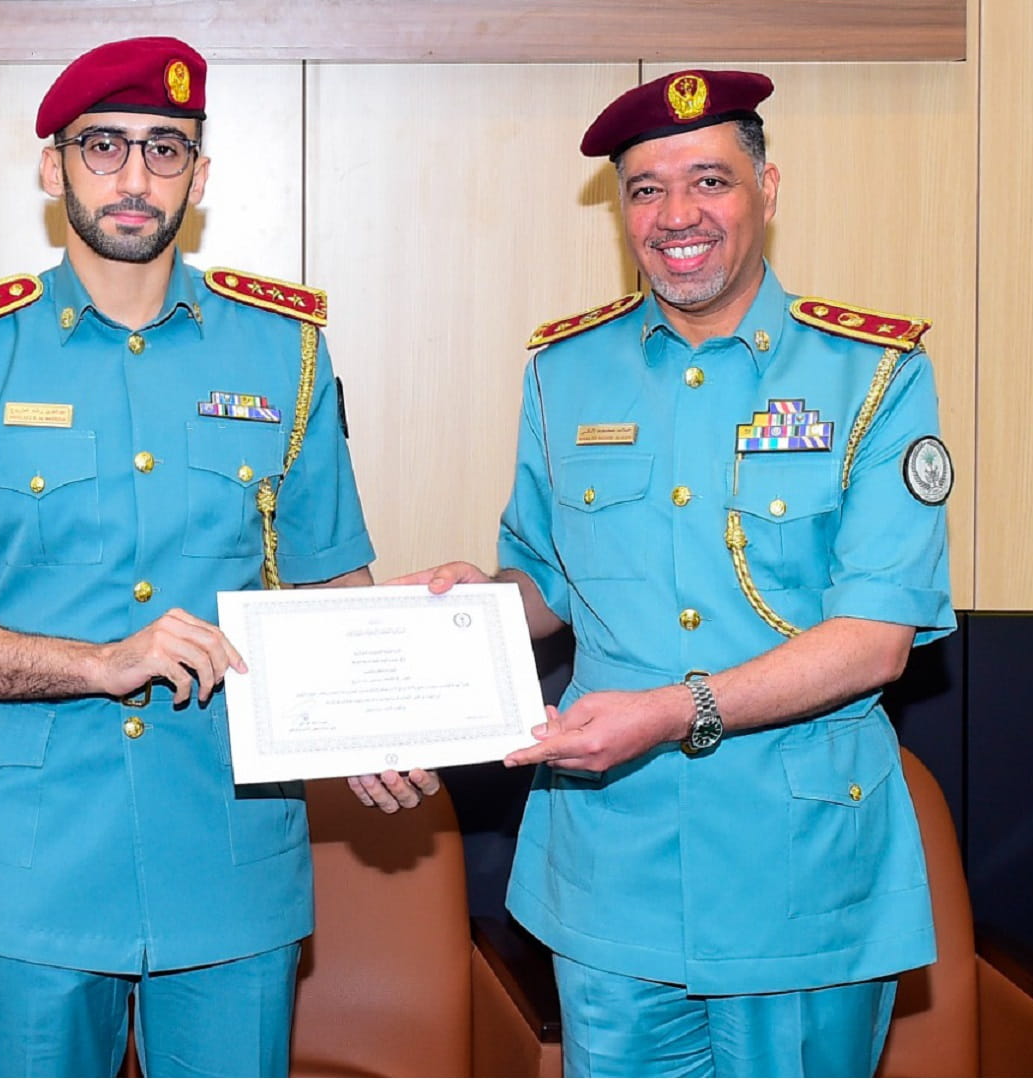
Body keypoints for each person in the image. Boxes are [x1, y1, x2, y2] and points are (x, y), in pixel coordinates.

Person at [0, 36, 434, 1077]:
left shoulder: (285, 352)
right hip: (31, 866)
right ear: (52, 166)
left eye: (165, 150)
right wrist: (98, 662)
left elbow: (330, 583)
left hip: (226, 848)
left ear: (200, 177)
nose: (134, 178)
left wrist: (385, 706)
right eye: (104, 147)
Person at [394, 69, 954, 1076]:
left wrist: (673, 711)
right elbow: (545, 587)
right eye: (647, 189)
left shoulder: (872, 372)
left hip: (799, 879)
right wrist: (458, 612)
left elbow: (877, 639)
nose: (677, 215)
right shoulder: (564, 371)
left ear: (767, 189)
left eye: (710, 180)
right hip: (612, 874)